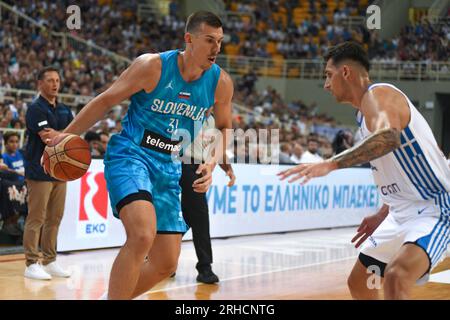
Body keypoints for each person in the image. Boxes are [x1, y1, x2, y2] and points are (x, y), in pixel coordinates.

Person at [57, 11, 233, 299]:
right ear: (188, 39)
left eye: (220, 42)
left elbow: (225, 127)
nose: (216, 48)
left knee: (166, 262)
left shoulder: (220, 82)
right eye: (209, 40)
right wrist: (67, 134)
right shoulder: (152, 66)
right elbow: (106, 100)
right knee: (141, 235)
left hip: (169, 165)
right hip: (132, 154)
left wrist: (211, 163)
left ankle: (113, 296)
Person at [279, 41, 450, 300]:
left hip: (434, 209)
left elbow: (388, 138)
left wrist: (331, 163)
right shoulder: (364, 115)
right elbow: (401, 166)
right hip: (400, 213)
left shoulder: (378, 95)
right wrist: (384, 210)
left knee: (397, 276)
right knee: (360, 282)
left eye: (328, 75)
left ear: (345, 72)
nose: (325, 85)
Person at [23, 66, 74, 280]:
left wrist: (61, 134)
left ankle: (50, 260)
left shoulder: (64, 109)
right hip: (39, 170)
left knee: (55, 218)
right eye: (50, 80)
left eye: (57, 80)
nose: (55, 84)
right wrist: (64, 135)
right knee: (37, 218)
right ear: (39, 84)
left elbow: (74, 135)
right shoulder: (35, 108)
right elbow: (48, 138)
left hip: (60, 171)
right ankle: (31, 262)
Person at [179, 114, 236, 284]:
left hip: (197, 167)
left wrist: (228, 169)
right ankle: (202, 267)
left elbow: (215, 150)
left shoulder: (214, 120)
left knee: (195, 217)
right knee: (180, 216)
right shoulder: (186, 111)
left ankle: (204, 267)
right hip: (175, 163)